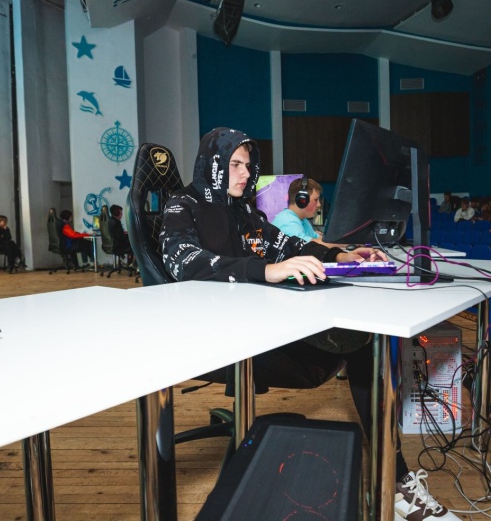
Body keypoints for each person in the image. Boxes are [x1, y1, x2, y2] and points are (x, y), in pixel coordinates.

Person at [160, 128, 454, 520]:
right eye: (235, 165)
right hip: (220, 339)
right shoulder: (183, 204)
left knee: (364, 337)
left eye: (248, 165)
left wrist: (340, 255)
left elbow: (288, 244)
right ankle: (398, 486)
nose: (246, 174)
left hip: (261, 326)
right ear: (212, 164)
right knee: (362, 345)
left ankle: (396, 480)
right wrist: (265, 270)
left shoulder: (243, 211)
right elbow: (182, 260)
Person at [271, 177, 327, 243]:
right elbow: (311, 245)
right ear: (302, 200)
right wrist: (338, 244)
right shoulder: (288, 221)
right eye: (316, 200)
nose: (319, 204)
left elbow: (318, 238)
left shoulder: (303, 220)